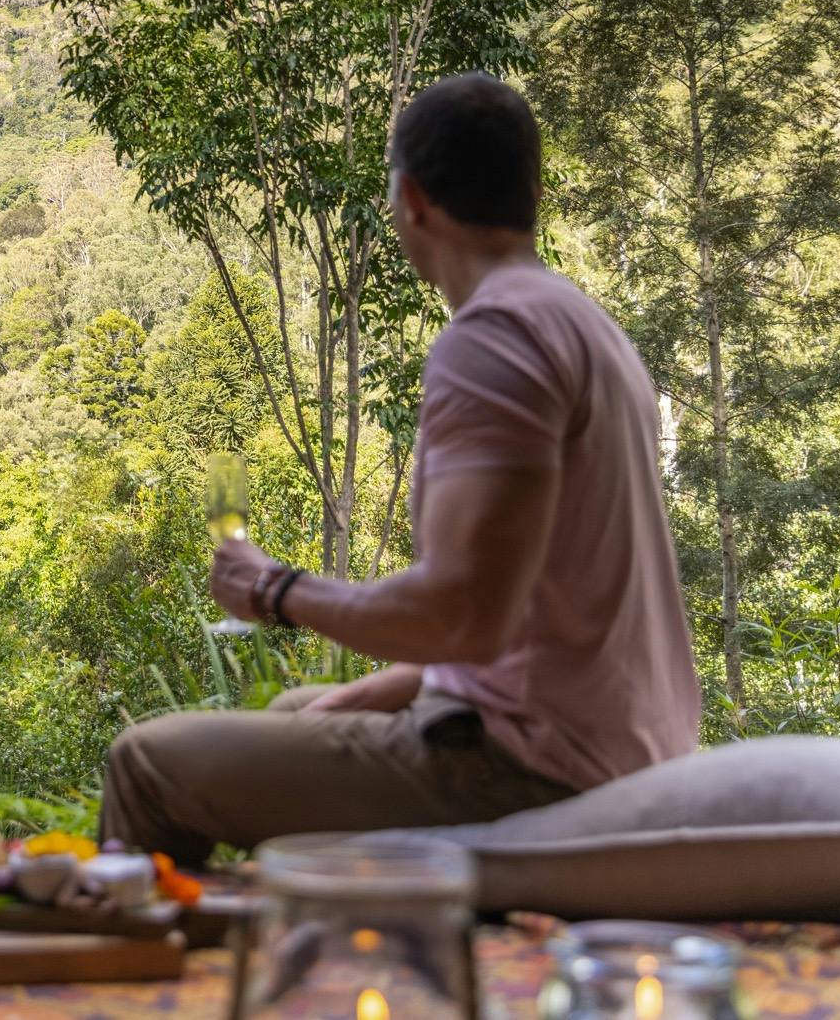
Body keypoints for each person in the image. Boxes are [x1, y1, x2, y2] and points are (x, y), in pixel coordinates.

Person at [100, 73, 700, 865]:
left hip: (539, 764)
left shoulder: (493, 340)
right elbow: (526, 604)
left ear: (410, 200)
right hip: (618, 733)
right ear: (533, 191)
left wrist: (274, 590)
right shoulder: (584, 325)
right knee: (297, 707)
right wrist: (389, 685)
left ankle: (150, 977)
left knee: (145, 764)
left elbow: (463, 615)